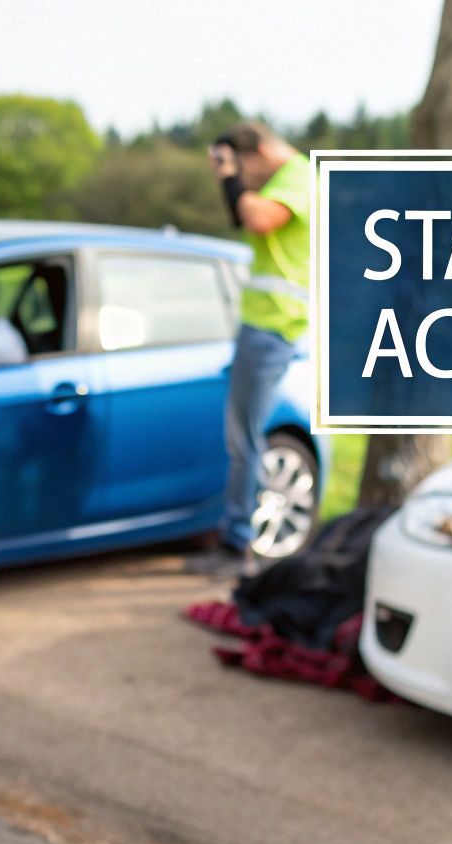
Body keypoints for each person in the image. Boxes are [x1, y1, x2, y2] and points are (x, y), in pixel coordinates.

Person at [197, 121, 312, 576]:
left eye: (242, 167)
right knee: (243, 436)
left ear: (256, 152)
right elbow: (246, 215)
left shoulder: (298, 176)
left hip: (272, 326)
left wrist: (230, 177)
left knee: (244, 438)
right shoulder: (290, 178)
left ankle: (237, 543)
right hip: (267, 326)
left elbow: (259, 217)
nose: (246, 180)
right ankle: (235, 535)